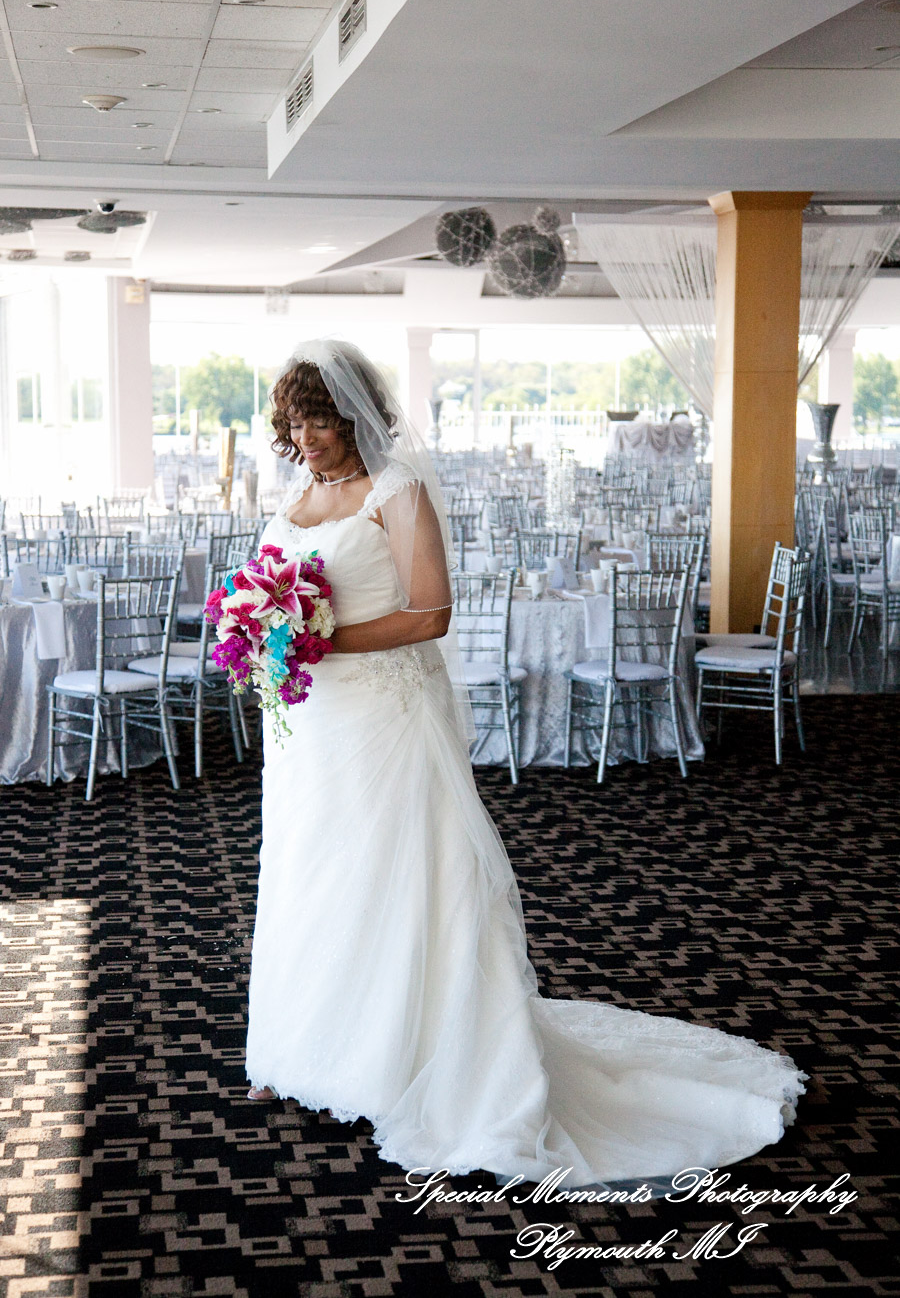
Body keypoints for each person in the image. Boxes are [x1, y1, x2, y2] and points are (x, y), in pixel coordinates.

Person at [244, 338, 806, 1187]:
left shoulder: (396, 491)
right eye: (293, 423)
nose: (306, 438)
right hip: (311, 722)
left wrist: (321, 640)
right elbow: (276, 588)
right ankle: (304, 1046)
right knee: (309, 867)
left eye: (318, 421)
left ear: (355, 417)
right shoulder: (299, 494)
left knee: (390, 874)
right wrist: (262, 631)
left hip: (384, 717)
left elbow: (431, 613)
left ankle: (397, 1059)